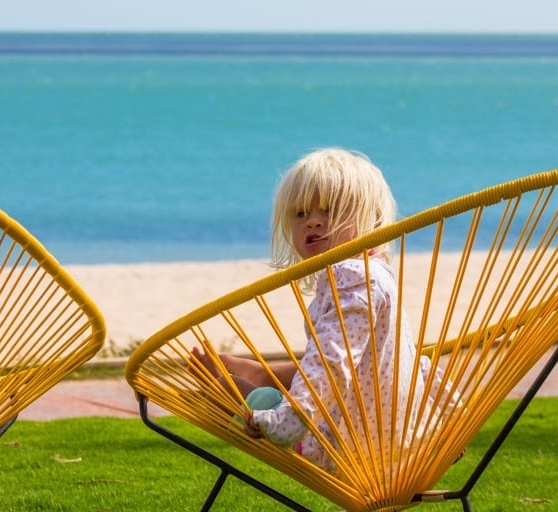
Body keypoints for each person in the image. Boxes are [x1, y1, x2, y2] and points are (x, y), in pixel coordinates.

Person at [192, 147, 453, 471]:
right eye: (300, 214)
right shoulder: (376, 273)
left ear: (370, 218)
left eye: (329, 210)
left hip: (349, 448)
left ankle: (246, 384)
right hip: (401, 440)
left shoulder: (351, 280)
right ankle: (259, 376)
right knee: (326, 366)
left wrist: (285, 421)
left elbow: (332, 364)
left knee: (227, 394)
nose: (312, 222)